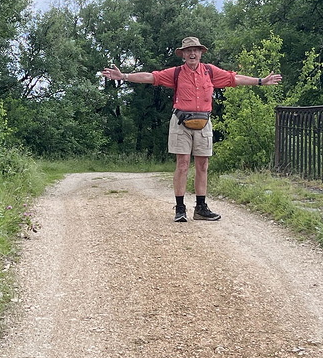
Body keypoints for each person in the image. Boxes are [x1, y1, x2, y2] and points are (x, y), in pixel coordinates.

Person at [101, 36, 282, 223]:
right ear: (183, 55)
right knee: (183, 164)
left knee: (203, 165)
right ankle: (180, 208)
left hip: (204, 122)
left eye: (195, 50)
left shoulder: (210, 72)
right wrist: (124, 76)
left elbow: (233, 79)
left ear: (201, 53)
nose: (192, 53)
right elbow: (151, 77)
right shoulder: (177, 73)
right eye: (188, 51)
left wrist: (261, 81)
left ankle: (201, 208)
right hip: (181, 122)